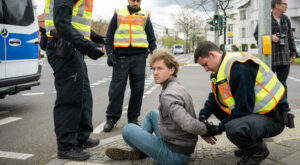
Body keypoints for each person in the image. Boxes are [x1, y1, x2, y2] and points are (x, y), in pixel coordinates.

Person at [105, 49, 215, 165]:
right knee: (153, 114)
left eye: (160, 68)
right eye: (153, 68)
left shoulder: (168, 95)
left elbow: (188, 123)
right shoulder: (176, 85)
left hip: (175, 155)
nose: (155, 72)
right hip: (182, 145)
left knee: (128, 130)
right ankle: (140, 149)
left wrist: (206, 130)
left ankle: (140, 149)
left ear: (171, 70)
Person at [194, 41, 292, 165]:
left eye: (205, 64)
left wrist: (218, 128)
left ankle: (257, 151)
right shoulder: (223, 67)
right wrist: (202, 117)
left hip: (273, 117)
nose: (206, 69)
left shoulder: (239, 67)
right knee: (220, 109)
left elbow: (243, 109)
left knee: (233, 128)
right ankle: (248, 145)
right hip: (258, 113)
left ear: (212, 54)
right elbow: (215, 97)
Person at [44, 0, 105, 161]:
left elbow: (75, 22)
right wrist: (88, 46)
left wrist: (96, 38)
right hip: (63, 48)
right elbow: (61, 23)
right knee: (69, 99)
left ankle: (80, 138)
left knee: (83, 95)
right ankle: (66, 146)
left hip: (72, 48)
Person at [104, 0, 157, 132]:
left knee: (138, 90)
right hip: (120, 57)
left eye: (138, 1)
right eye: (133, 0)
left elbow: (151, 38)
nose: (135, 3)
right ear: (128, 0)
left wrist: (155, 58)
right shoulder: (118, 14)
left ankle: (133, 119)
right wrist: (110, 53)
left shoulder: (145, 15)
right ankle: (111, 118)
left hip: (139, 58)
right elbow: (109, 35)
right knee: (117, 90)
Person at [254, 0, 297, 99]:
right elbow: (256, 34)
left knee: (282, 84)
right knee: (269, 84)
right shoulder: (265, 18)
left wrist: (293, 53)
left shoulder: (286, 19)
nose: (287, 6)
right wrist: (270, 37)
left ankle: (284, 109)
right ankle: (271, 108)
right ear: (277, 5)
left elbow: (290, 36)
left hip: (284, 58)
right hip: (271, 58)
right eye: (284, 4)